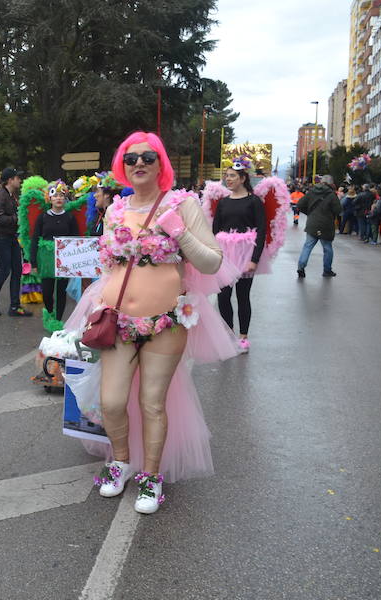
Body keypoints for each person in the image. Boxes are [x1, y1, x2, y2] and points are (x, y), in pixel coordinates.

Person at [65, 131, 232, 514]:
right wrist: (96, 301)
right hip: (118, 321)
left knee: (152, 403)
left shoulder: (183, 204)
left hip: (165, 323)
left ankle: (151, 477)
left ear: (161, 164)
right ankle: (121, 462)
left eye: (147, 157)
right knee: (111, 401)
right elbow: (109, 265)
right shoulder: (115, 210)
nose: (138, 163)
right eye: (130, 158)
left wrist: (178, 232)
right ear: (122, 167)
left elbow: (212, 262)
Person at [213, 158, 266, 353]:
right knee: (223, 297)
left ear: (243, 178)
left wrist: (254, 259)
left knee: (243, 297)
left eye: (232, 176)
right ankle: (229, 335)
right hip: (225, 256)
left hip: (245, 254)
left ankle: (243, 337)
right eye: (227, 176)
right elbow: (215, 230)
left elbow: (261, 231)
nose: (228, 179)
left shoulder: (254, 201)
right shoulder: (223, 202)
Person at [30, 180, 79, 329]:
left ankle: (58, 321)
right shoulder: (43, 217)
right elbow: (35, 239)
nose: (58, 198)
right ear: (49, 198)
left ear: (65, 198)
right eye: (55, 195)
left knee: (61, 291)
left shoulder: (70, 217)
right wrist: (33, 262)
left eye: (61, 195)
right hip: (46, 259)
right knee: (47, 291)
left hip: (64, 259)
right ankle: (50, 314)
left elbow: (75, 239)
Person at [0, 167, 32, 317]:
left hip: (11, 237)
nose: (20, 180)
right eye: (17, 178)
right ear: (10, 180)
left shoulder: (11, 195)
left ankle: (14, 306)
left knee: (17, 270)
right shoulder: (0, 195)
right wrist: (17, 218)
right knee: (5, 270)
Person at [296, 176, 341, 278]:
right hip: (326, 225)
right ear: (331, 183)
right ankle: (327, 270)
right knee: (327, 248)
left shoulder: (311, 191)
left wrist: (309, 213)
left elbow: (299, 204)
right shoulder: (331, 195)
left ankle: (301, 267)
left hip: (312, 223)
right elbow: (338, 210)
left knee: (307, 246)